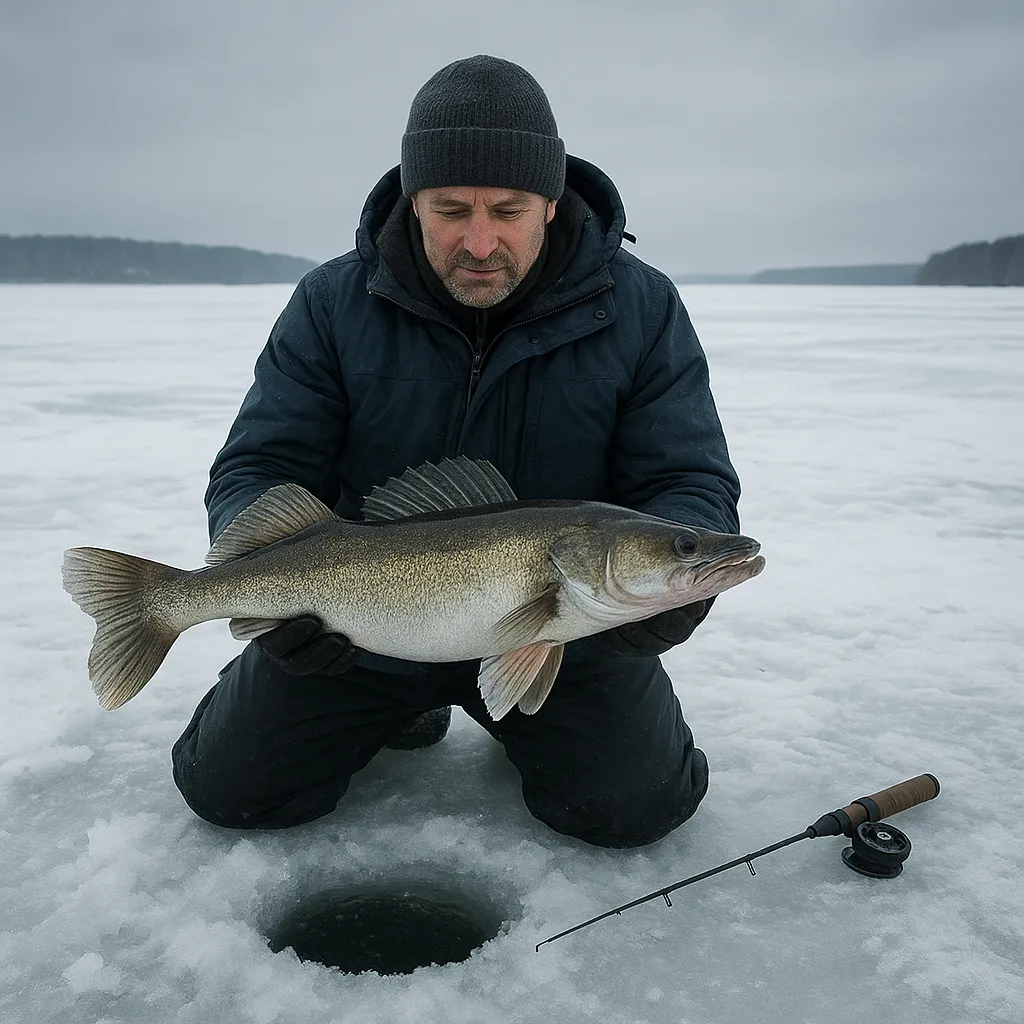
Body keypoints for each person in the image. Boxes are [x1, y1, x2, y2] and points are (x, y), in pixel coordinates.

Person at [172, 55, 742, 849]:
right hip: (356, 635)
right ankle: (402, 704)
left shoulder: (641, 309)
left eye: (508, 209)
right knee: (231, 791)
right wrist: (274, 597)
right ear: (414, 201)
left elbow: (686, 477)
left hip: (571, 628)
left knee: (634, 808)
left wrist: (674, 576)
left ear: (550, 200)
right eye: (450, 209)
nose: (480, 241)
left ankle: (523, 713)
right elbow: (260, 467)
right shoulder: (334, 303)